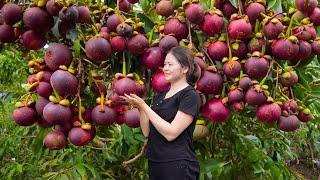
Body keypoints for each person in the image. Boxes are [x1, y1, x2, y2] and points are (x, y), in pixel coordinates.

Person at [121, 46, 201, 180]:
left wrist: (144, 106)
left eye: (170, 64)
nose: (165, 68)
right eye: (164, 64)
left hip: (178, 165)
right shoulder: (161, 95)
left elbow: (171, 133)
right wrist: (140, 108)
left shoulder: (190, 95)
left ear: (184, 69)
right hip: (156, 163)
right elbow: (147, 132)